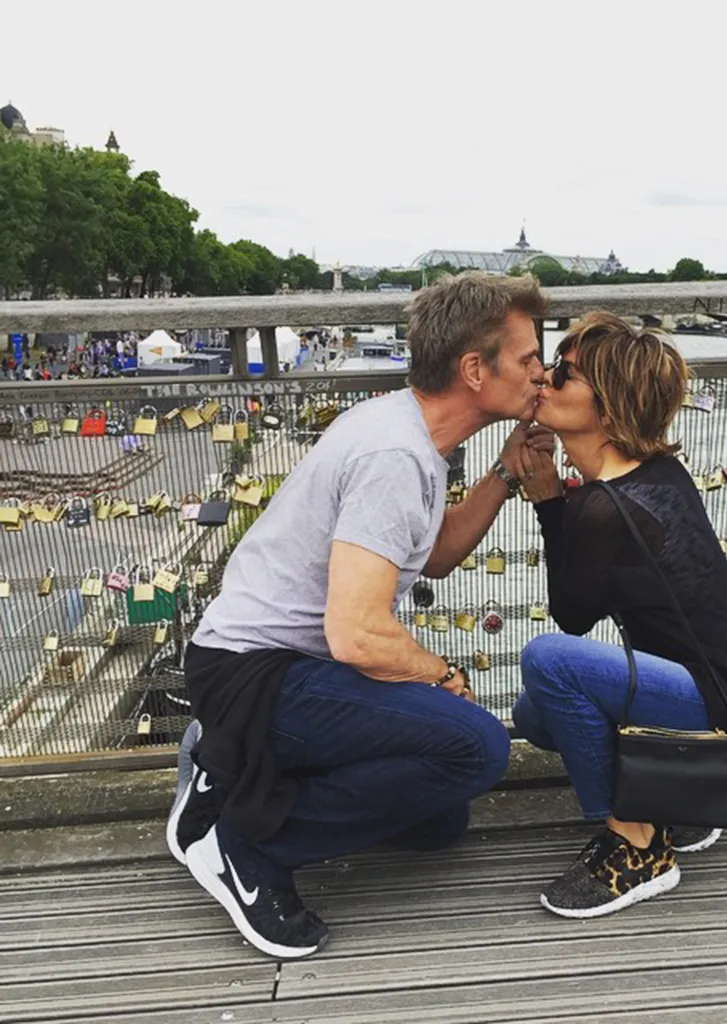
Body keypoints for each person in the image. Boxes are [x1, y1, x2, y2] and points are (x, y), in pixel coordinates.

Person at [167, 271, 551, 959]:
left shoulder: (408, 432)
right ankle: (245, 846)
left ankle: (223, 766)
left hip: (280, 668)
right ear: (473, 370)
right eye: (527, 359)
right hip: (256, 673)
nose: (541, 373)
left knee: (440, 822)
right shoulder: (393, 457)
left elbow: (430, 556)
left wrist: (504, 476)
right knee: (476, 748)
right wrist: (441, 673)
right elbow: (356, 633)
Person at [508, 311, 727, 919]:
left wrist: (546, 502)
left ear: (610, 408)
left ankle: (636, 842)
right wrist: (556, 498)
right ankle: (691, 796)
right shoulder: (652, 472)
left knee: (548, 663)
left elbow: (570, 618)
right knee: (536, 715)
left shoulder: (606, 508)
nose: (546, 377)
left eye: (564, 372)